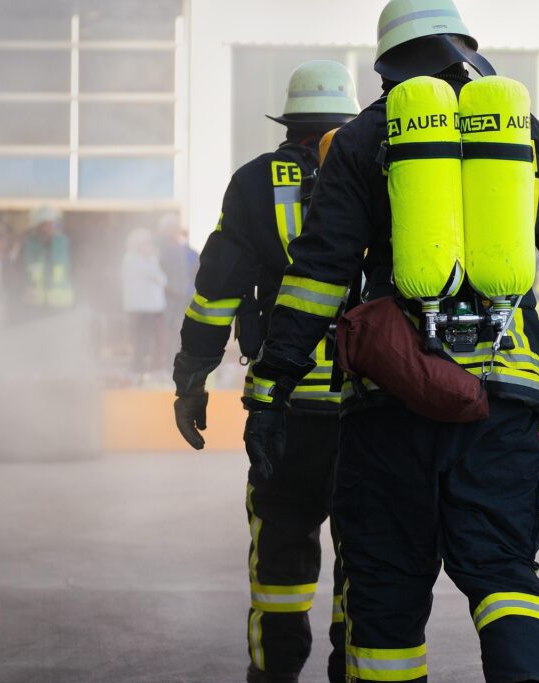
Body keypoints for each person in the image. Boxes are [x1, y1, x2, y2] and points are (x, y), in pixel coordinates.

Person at [240, 2, 539, 680]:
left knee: (384, 590)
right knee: (504, 572)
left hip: (391, 399)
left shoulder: (363, 140)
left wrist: (271, 388)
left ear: (387, 66)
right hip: (500, 402)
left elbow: (319, 276)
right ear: (466, 49)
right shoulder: (532, 139)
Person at [171, 60, 360, 683]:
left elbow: (217, 293)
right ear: (347, 118)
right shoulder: (382, 169)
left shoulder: (253, 183)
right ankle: (354, 668)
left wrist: (192, 375)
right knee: (369, 549)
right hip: (371, 402)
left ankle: (274, 671)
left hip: (283, 404)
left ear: (290, 121)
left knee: (281, 539)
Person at [123, 227, 167, 377]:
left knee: (145, 339)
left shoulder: (142, 259)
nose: (150, 247)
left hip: (149, 308)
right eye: (147, 243)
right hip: (143, 308)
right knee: (142, 339)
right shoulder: (135, 260)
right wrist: (153, 259)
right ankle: (139, 368)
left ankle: (142, 367)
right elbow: (160, 279)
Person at [17, 206, 74, 322]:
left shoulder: (64, 244)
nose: (46, 228)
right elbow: (18, 272)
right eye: (43, 224)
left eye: (50, 224)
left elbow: (76, 270)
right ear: (36, 227)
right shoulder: (28, 246)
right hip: (33, 307)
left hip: (61, 307)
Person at [156, 213, 193, 364]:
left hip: (175, 296)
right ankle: (173, 363)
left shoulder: (170, 250)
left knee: (173, 331)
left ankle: (173, 363)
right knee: (174, 332)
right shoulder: (173, 250)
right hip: (176, 296)